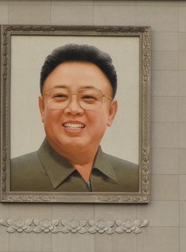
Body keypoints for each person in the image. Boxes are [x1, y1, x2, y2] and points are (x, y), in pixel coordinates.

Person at [10, 44, 139, 192]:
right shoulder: (10, 177)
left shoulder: (136, 179)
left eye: (88, 97)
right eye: (60, 96)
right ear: (42, 108)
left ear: (111, 112)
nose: (73, 109)